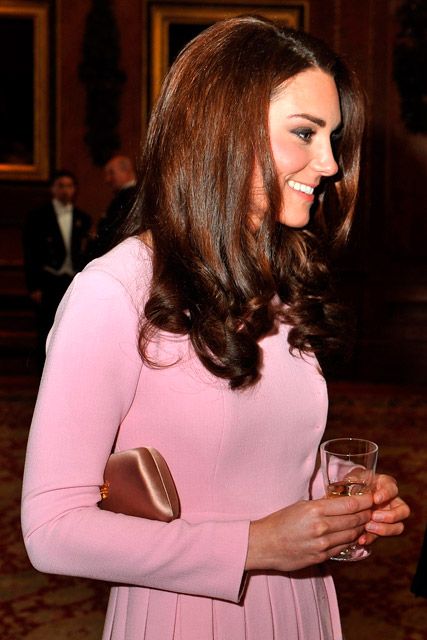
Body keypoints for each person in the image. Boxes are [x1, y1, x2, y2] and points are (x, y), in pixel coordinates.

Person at [21, 17, 410, 640]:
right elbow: (51, 530)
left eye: (332, 137)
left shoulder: (276, 282)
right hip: (186, 615)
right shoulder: (114, 291)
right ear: (223, 131)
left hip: (303, 606)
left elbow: (243, 463)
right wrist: (252, 546)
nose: (331, 162)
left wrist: (336, 491)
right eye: (305, 133)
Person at [22, 169, 92, 372]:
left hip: (72, 282)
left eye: (69, 186)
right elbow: (30, 253)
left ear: (75, 190)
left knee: (72, 328)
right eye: (61, 186)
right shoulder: (37, 217)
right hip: (47, 281)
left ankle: (67, 372)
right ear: (52, 189)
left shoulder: (83, 218)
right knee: (46, 328)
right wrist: (33, 285)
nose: (65, 190)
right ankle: (44, 374)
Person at [91, 154, 138, 257]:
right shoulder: (123, 196)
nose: (107, 179)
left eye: (111, 173)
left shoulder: (131, 196)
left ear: (127, 171)